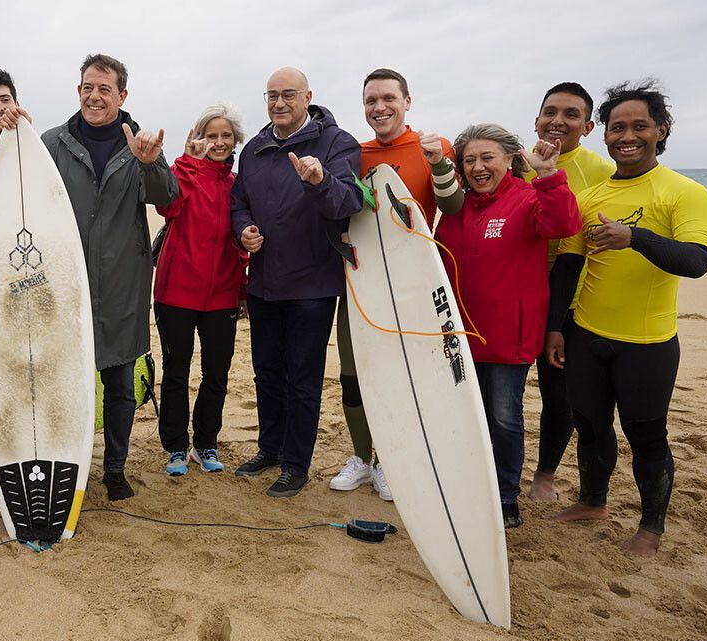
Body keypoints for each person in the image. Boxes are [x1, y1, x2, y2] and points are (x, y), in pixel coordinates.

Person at [548, 80, 707, 557]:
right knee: (591, 425)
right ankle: (592, 501)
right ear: (603, 135)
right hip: (587, 334)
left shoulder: (684, 192)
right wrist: (556, 327)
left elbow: (697, 260)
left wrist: (635, 237)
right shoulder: (593, 195)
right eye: (617, 127)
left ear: (660, 130)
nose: (628, 135)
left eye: (639, 126)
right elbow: (569, 265)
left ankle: (651, 527)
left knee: (645, 434)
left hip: (647, 343)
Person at [41, 53, 179, 501]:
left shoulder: (139, 144)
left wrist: (150, 163)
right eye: (87, 87)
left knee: (119, 382)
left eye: (104, 89)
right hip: (65, 284)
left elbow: (166, 199)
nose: (94, 96)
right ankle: (72, 462)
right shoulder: (52, 143)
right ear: (78, 90)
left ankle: (114, 470)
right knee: (65, 381)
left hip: (123, 282)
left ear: (122, 94)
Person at [434, 124, 580, 528]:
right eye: (469, 161)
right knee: (468, 417)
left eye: (487, 158)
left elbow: (564, 225)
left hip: (507, 337)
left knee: (503, 419)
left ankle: (504, 497)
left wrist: (549, 175)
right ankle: (470, 488)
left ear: (509, 159)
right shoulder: (457, 206)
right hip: (459, 334)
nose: (478, 167)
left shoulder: (528, 197)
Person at [329, 68, 463, 502]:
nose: (379, 107)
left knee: (401, 376)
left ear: (407, 101)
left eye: (388, 98)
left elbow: (454, 205)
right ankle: (361, 459)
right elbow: (341, 208)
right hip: (360, 279)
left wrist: (440, 162)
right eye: (371, 100)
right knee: (354, 375)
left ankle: (390, 462)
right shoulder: (354, 151)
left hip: (410, 282)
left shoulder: (434, 147)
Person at [230, 67, 364, 497]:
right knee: (266, 373)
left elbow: (350, 201)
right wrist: (244, 230)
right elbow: (239, 204)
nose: (279, 103)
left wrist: (320, 180)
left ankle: (295, 464)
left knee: (302, 379)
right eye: (271, 95)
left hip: (313, 284)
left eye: (289, 94)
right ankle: (269, 447)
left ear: (309, 96)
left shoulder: (336, 143)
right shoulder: (253, 149)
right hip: (264, 281)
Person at [524, 82, 616, 502]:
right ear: (537, 118)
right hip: (516, 291)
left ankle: (544, 473)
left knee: (557, 393)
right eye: (550, 112)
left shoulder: (602, 171)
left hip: (572, 298)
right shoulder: (515, 163)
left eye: (571, 114)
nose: (558, 121)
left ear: (589, 125)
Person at [153, 103, 248, 476]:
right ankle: (176, 447)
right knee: (176, 371)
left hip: (222, 293)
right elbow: (168, 207)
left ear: (235, 140)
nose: (219, 142)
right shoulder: (180, 170)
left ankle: (205, 442)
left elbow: (239, 241)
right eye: (212, 135)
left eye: (226, 136)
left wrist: (241, 290)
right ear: (198, 138)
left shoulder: (238, 184)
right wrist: (190, 163)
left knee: (217, 373)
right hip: (176, 291)